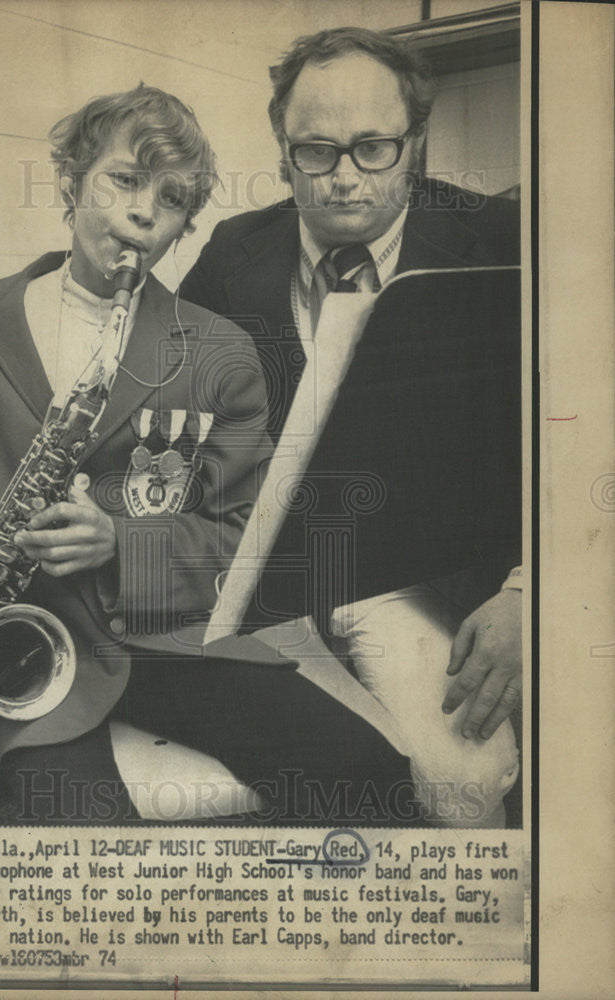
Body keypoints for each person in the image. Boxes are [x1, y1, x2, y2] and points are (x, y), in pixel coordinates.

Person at [0, 85, 421, 826]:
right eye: (123, 179)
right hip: (29, 651)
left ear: (182, 229)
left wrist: (119, 543)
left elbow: (247, 540)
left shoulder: (219, 352)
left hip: (171, 632)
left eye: (172, 200)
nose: (145, 211)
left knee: (373, 778)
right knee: (79, 847)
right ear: (72, 180)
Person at [181, 28, 523, 753]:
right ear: (282, 148)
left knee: (461, 786)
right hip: (272, 579)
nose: (344, 176)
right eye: (316, 150)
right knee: (296, 773)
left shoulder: (501, 239)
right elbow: (172, 403)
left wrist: (530, 594)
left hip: (427, 582)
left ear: (416, 140)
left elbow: (579, 433)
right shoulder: (229, 251)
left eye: (374, 147)